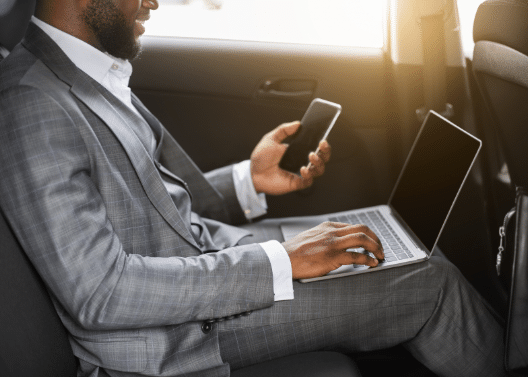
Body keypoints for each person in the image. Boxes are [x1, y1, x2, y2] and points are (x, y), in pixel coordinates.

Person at [0, 0, 507, 376]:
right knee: (429, 283)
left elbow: (160, 210)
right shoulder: (32, 105)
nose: (154, 2)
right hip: (172, 334)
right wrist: (281, 262)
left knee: (405, 244)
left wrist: (250, 181)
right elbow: (102, 293)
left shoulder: (89, 72)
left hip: (212, 266)